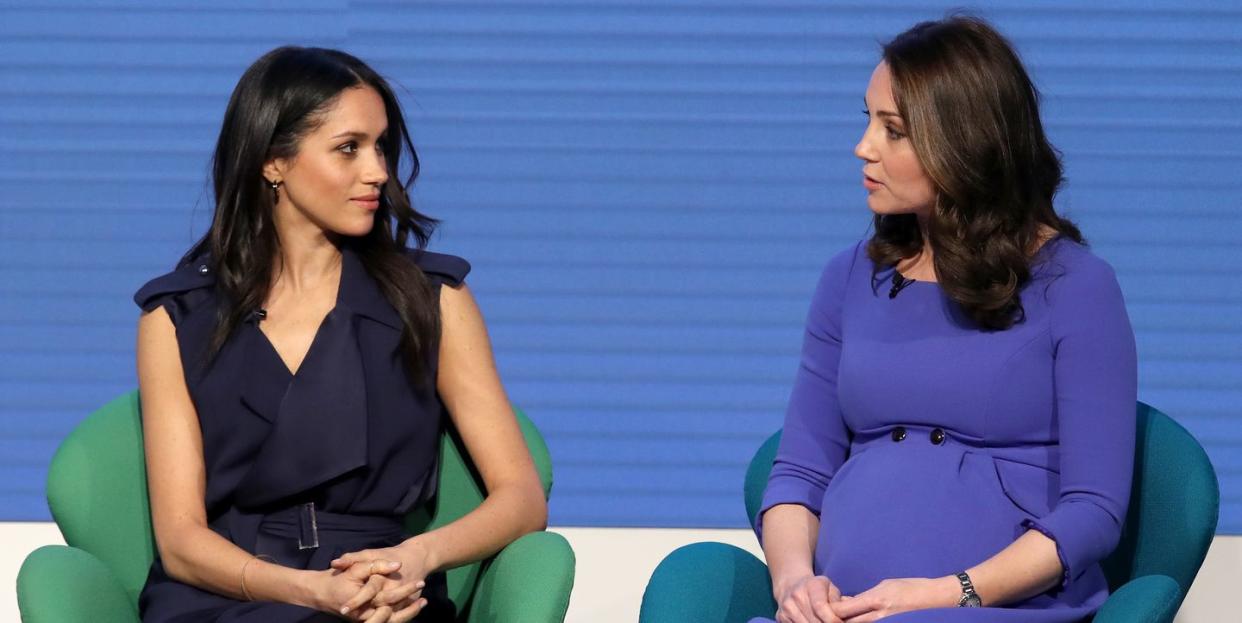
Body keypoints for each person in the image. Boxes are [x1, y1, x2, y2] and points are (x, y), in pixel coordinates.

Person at [133, 46, 547, 622]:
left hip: (385, 587)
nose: (377, 170)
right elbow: (180, 541)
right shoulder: (174, 316)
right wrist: (308, 592)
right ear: (273, 161)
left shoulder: (432, 298)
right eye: (348, 148)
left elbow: (522, 499)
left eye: (381, 147)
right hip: (230, 597)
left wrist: (415, 558)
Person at [752, 15, 1137, 623]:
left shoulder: (1077, 288)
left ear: (965, 143)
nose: (864, 147)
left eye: (893, 130)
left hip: (991, 609)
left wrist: (946, 592)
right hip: (846, 610)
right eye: (867, 120)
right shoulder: (850, 277)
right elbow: (799, 471)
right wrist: (797, 584)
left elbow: (1093, 510)